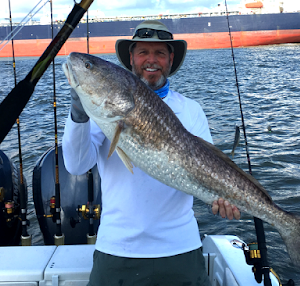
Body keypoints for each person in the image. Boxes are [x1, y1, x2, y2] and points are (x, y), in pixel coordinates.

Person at [62, 20, 240, 286]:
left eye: (159, 53)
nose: (151, 60)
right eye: (143, 52)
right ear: (131, 58)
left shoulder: (191, 110)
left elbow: (209, 173)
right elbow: (76, 166)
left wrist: (223, 201)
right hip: (116, 250)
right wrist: (78, 116)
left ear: (170, 60)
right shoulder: (101, 110)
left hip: (181, 249)